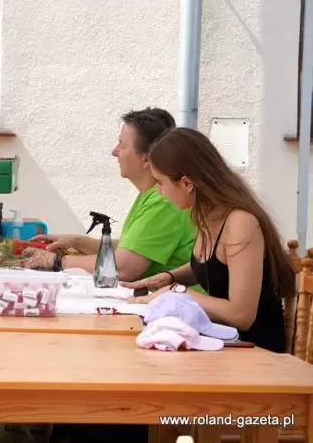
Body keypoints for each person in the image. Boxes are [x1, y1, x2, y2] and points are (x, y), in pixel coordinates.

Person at [125, 127, 297, 353]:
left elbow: (241, 315)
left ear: (187, 183)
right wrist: (170, 277)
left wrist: (177, 292)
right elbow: (214, 264)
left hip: (255, 352)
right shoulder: (206, 214)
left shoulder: (240, 224)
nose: (158, 191)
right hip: (222, 344)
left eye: (160, 182)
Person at [21, 108, 198, 287]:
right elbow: (135, 248)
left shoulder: (163, 201)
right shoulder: (151, 194)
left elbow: (123, 267)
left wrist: (59, 261)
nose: (115, 152)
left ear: (146, 158)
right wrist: (78, 242)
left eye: (122, 145)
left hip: (178, 302)